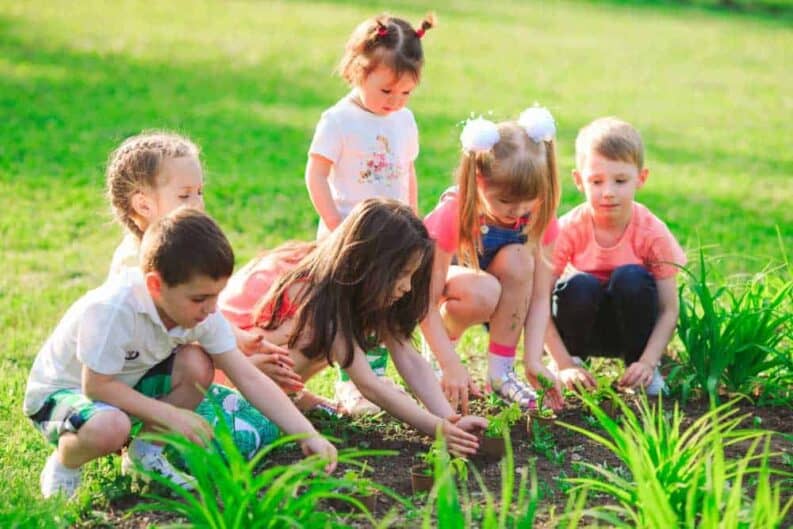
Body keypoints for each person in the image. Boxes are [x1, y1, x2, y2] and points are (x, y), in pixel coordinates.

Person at [24, 208, 337, 499]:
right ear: (155, 285)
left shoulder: (199, 311)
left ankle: (147, 454)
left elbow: (248, 376)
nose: (212, 308)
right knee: (112, 426)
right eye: (200, 298)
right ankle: (66, 460)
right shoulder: (113, 310)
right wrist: (170, 414)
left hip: (124, 386)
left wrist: (306, 434)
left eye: (216, 295)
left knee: (197, 364)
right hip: (64, 395)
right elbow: (96, 386)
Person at [220, 199, 487, 456]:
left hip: (263, 373)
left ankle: (288, 399)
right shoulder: (318, 296)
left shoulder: (365, 291)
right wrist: (436, 429)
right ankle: (271, 405)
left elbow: (408, 356)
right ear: (369, 265)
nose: (407, 287)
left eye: (412, 276)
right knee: (314, 335)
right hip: (230, 372)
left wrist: (448, 419)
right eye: (402, 275)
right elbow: (369, 384)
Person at [305, 13, 435, 414]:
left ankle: (381, 376)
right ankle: (354, 383)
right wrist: (336, 227)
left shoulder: (404, 120)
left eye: (406, 93)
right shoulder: (339, 120)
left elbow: (407, 171)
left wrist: (413, 221)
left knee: (388, 305)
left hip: (392, 238)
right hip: (352, 235)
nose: (395, 101)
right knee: (354, 310)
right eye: (387, 90)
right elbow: (316, 174)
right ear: (356, 70)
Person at [104, 131, 297, 390]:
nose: (198, 204)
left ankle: (298, 399)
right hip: (147, 383)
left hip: (181, 368)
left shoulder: (179, 251)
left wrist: (238, 338)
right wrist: (242, 364)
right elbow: (174, 337)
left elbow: (203, 319)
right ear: (143, 206)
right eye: (184, 196)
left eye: (199, 192)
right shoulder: (134, 264)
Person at [421, 106, 564, 414]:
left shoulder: (538, 216)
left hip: (503, 286)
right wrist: (449, 363)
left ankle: (501, 373)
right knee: (483, 291)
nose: (518, 210)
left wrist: (534, 360)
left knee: (520, 260)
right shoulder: (453, 213)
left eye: (530, 200)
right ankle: (434, 358)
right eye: (505, 201)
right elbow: (425, 300)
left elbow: (540, 297)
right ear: (479, 180)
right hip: (454, 287)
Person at [546, 117, 686, 396]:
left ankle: (640, 371)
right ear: (578, 180)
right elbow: (537, 302)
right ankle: (574, 361)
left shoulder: (652, 232)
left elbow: (669, 309)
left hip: (631, 329)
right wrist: (562, 363)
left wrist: (648, 360)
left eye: (620, 180)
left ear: (641, 178)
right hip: (583, 330)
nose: (608, 192)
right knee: (580, 285)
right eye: (596, 181)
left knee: (631, 277)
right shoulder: (567, 229)